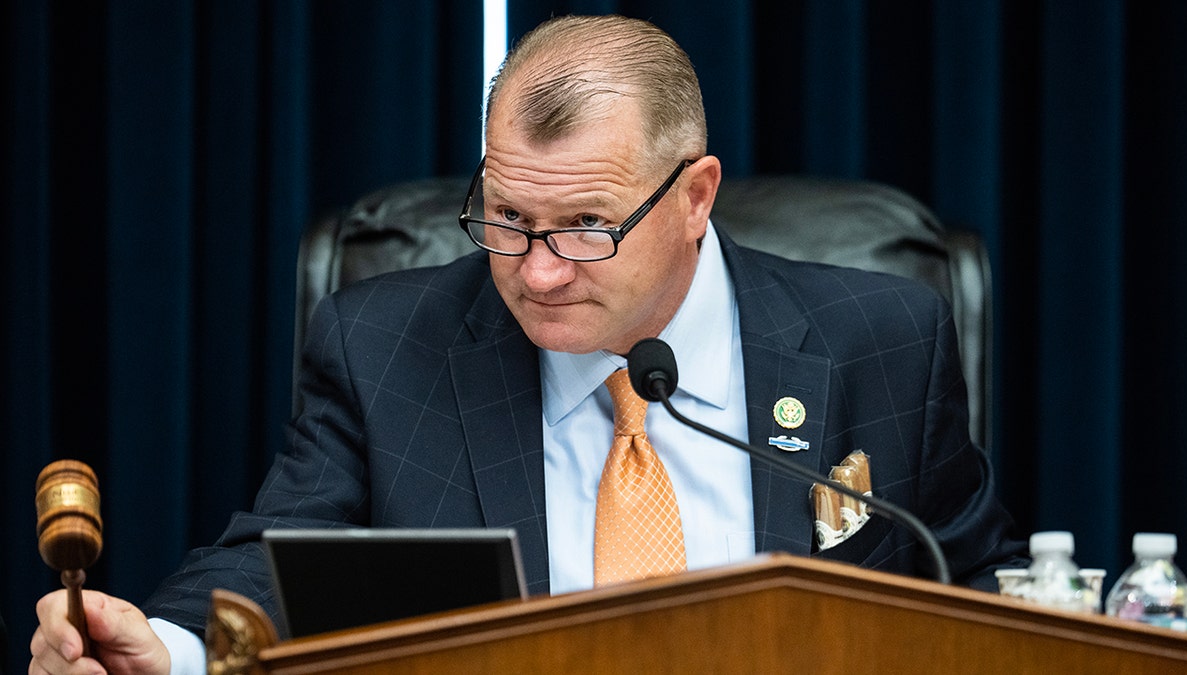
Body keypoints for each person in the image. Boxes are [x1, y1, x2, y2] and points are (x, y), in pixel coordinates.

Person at [30, 14, 1026, 675]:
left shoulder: (883, 341)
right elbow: (269, 564)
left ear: (693, 197)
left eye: (587, 227)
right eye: (505, 217)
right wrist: (165, 649)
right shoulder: (388, 346)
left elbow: (983, 587)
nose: (537, 271)